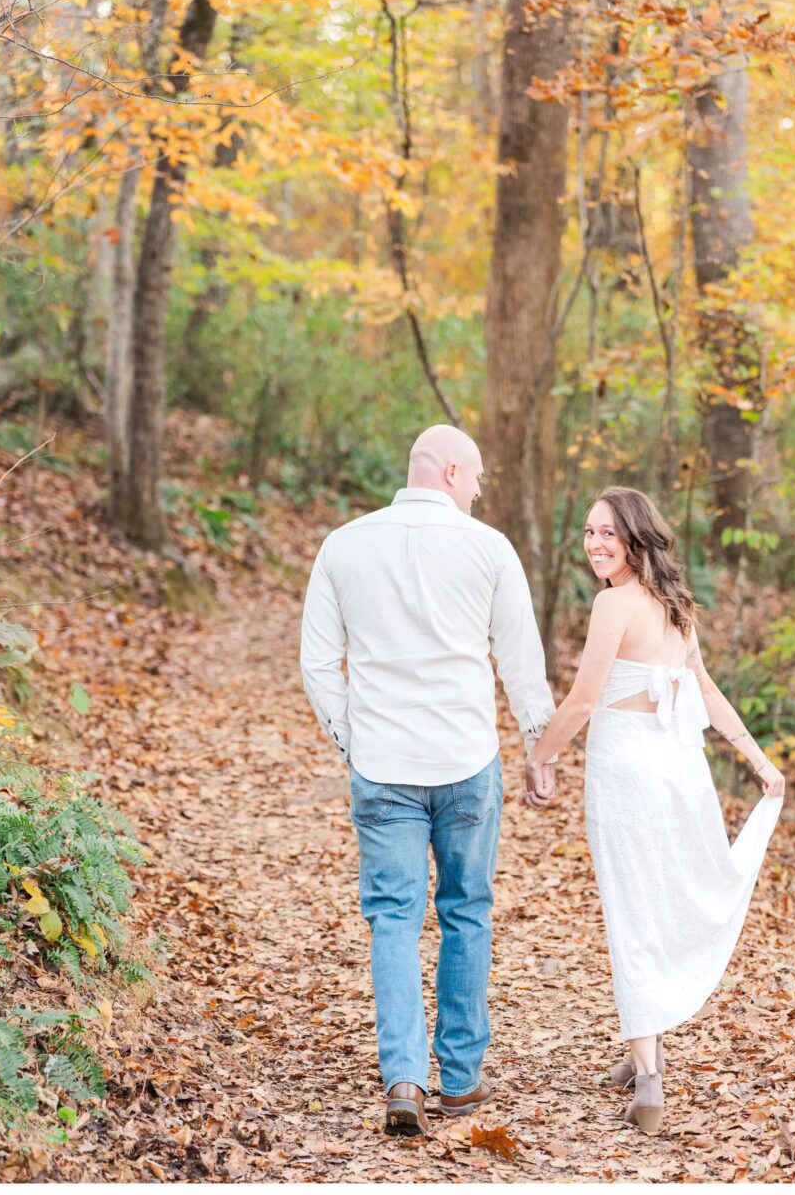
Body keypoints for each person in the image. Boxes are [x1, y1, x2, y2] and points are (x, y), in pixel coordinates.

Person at [297, 426, 557, 1135]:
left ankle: (405, 1079)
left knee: (393, 918)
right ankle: (463, 1079)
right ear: (448, 471)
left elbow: (318, 663)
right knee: (466, 909)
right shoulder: (489, 548)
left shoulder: (344, 545)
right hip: (467, 762)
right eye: (475, 477)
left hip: (383, 766)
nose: (479, 490)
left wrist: (353, 738)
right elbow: (521, 662)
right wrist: (541, 748)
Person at [518, 487, 784, 1134]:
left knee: (632, 909)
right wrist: (757, 759)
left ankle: (650, 1080)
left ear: (637, 539)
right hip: (680, 772)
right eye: (588, 533)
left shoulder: (614, 605)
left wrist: (540, 758)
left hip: (632, 774)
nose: (595, 544)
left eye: (608, 533)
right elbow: (706, 689)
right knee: (655, 901)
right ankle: (646, 1045)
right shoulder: (674, 605)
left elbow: (583, 700)